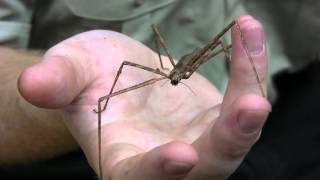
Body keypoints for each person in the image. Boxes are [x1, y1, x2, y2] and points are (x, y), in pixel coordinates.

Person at [2, 0, 319, 179]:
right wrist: (82, 101)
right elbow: (125, 68)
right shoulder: (158, 74)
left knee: (226, 41)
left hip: (295, 103)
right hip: (91, 153)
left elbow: (225, 46)